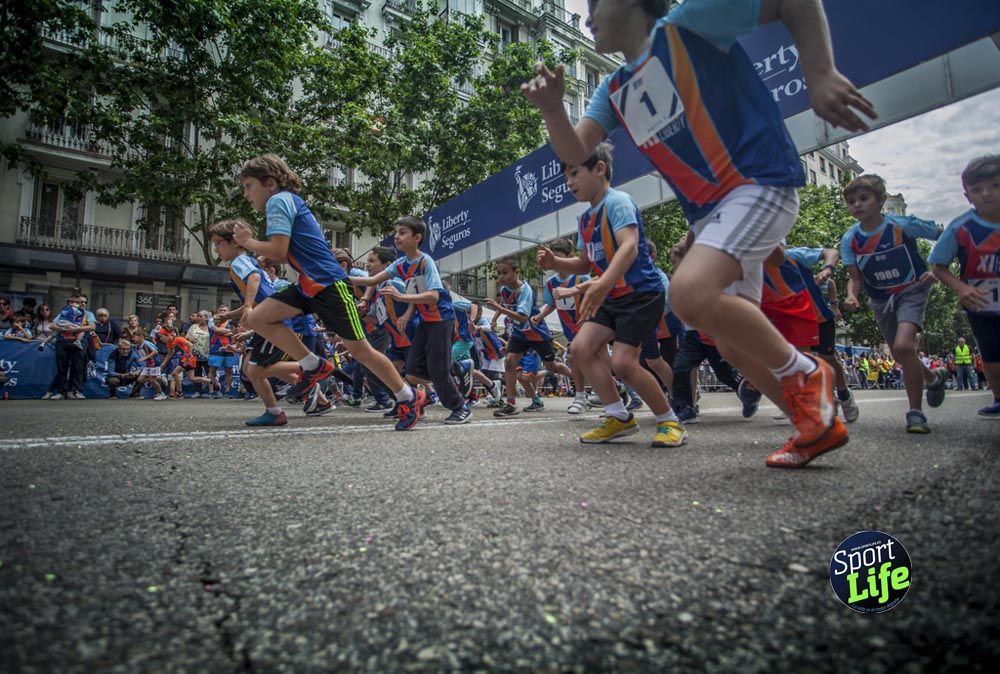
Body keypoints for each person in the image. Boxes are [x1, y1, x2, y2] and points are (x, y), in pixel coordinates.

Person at [522, 0, 873, 466]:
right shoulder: (613, 87)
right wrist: (551, 110)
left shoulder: (687, 25)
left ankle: (808, 373)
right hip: (713, 214)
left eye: (595, 3)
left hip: (759, 181)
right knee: (729, 340)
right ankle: (814, 423)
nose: (587, 14)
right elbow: (575, 145)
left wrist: (821, 72)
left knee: (687, 294)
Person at [233, 154, 426, 429]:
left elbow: (278, 250)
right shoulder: (285, 201)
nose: (246, 194)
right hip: (308, 285)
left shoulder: (278, 201)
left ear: (270, 183)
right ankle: (312, 364)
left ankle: (409, 396)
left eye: (249, 185)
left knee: (361, 351)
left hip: (329, 285)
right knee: (258, 318)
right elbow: (285, 253)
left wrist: (248, 242)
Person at [536, 143, 685, 447]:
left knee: (624, 363)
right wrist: (555, 263)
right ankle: (618, 416)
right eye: (566, 178)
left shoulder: (618, 202)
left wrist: (601, 284)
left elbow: (628, 247)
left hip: (640, 293)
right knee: (580, 349)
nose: (570, 183)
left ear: (599, 169)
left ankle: (670, 420)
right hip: (611, 294)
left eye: (575, 174)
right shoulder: (585, 220)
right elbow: (584, 263)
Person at [841, 174, 949, 433]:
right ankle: (934, 378)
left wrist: (938, 269)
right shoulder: (850, 240)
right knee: (900, 352)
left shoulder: (902, 226)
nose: (857, 204)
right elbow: (854, 277)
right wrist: (852, 295)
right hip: (880, 298)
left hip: (912, 289)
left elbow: (945, 237)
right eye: (851, 201)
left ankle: (915, 413)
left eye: (863, 198)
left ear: (880, 201)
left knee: (903, 345)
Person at [210, 219, 334, 424]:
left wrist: (248, 306)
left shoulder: (239, 262)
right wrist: (228, 315)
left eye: (217, 243)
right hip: (270, 319)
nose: (215, 248)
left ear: (234, 242)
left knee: (254, 370)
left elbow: (254, 280)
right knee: (258, 368)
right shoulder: (247, 261)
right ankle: (318, 398)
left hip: (270, 322)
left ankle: (304, 376)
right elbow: (259, 295)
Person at [350, 215, 471, 426]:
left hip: (441, 319)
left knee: (437, 369)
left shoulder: (426, 262)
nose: (396, 236)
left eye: (402, 232)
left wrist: (402, 298)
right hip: (426, 319)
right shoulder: (400, 263)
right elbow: (372, 280)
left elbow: (434, 295)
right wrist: (338, 277)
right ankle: (457, 369)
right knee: (413, 370)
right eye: (396, 232)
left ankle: (460, 407)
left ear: (417, 237)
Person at [929, 154, 1000, 417]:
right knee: (992, 356)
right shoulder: (961, 227)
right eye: (978, 189)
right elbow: (938, 266)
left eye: (995, 185)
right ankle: (998, 397)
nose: (987, 194)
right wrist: (961, 288)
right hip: (981, 301)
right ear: (968, 196)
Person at [486, 256, 574, 416]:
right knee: (510, 362)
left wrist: (499, 308)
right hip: (520, 333)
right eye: (499, 273)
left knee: (552, 367)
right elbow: (506, 305)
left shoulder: (525, 291)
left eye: (505, 273)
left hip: (537, 333)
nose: (501, 277)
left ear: (516, 272)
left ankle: (578, 378)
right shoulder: (505, 290)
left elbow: (522, 317)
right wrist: (494, 318)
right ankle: (511, 403)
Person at [785, 245, 860, 422]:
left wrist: (827, 269)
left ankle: (844, 395)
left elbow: (832, 253)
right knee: (803, 361)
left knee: (828, 358)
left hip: (819, 317)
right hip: (794, 321)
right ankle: (823, 400)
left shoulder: (794, 255)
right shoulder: (754, 265)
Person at [536, 238, 592, 414]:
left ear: (571, 257)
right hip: (569, 329)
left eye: (559, 258)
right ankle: (584, 396)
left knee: (586, 358)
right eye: (553, 260)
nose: (556, 263)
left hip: (589, 325)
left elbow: (594, 294)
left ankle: (596, 395)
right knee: (574, 359)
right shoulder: (551, 283)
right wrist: (540, 315)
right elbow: (552, 304)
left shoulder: (581, 277)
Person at [41, 296, 87, 400]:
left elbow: (92, 327)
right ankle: (61, 392)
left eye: (76, 302)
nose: (73, 304)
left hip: (77, 343)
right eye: (71, 302)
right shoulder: (63, 313)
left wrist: (76, 328)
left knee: (77, 368)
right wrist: (63, 328)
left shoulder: (87, 314)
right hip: (62, 342)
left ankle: (77, 391)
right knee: (62, 368)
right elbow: (52, 326)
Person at [130, 329, 166, 400]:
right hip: (148, 365)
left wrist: (144, 358)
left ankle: (161, 394)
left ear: (141, 337)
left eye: (134, 337)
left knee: (152, 380)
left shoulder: (146, 343)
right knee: (140, 379)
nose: (132, 338)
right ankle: (159, 377)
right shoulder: (138, 346)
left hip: (154, 364)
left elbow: (155, 351)